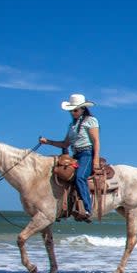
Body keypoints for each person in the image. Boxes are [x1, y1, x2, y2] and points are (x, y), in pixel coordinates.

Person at [40, 93, 101, 222]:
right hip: (76, 155)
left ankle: (87, 208)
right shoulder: (72, 125)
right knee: (61, 175)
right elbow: (65, 144)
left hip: (87, 154)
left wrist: (95, 160)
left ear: (82, 109)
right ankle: (63, 208)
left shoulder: (91, 121)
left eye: (75, 110)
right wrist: (48, 142)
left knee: (80, 177)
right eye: (71, 111)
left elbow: (96, 141)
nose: (72, 113)